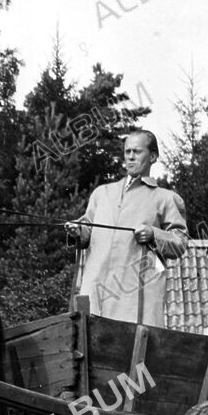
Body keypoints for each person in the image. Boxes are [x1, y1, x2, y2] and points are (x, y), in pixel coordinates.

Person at [64, 130, 188, 326]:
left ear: (153, 157)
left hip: (135, 302)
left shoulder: (166, 198)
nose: (130, 156)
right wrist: (78, 230)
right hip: (96, 296)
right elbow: (87, 228)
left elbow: (180, 242)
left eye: (137, 151)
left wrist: (153, 234)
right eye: (127, 151)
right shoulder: (102, 193)